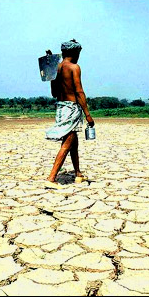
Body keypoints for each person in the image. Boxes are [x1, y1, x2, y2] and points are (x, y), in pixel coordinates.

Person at [45, 39, 94, 189]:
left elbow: (54, 93)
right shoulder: (74, 67)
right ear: (74, 52)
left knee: (74, 142)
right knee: (67, 144)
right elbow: (79, 91)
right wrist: (87, 114)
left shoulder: (57, 68)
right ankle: (51, 178)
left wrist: (52, 65)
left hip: (61, 107)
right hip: (72, 108)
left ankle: (78, 174)